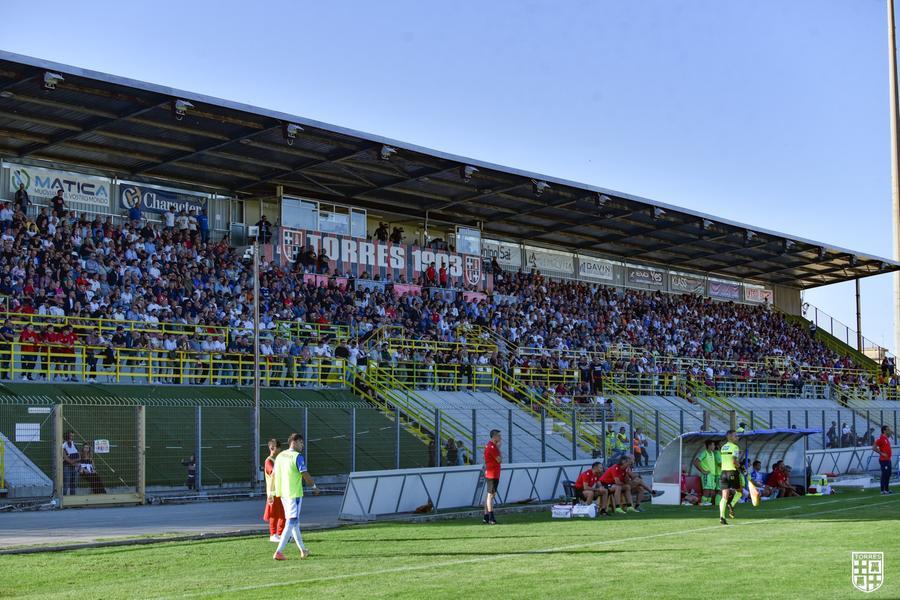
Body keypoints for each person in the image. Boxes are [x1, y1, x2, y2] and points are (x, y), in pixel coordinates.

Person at [272, 433, 319, 561]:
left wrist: (272, 492)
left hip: (283, 494)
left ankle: (303, 549)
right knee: (291, 521)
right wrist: (314, 487)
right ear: (295, 441)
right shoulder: (297, 457)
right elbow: (305, 474)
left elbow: (274, 474)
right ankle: (279, 551)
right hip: (294, 494)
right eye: (301, 443)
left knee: (294, 522)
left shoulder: (280, 456)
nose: (302, 446)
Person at [263, 439, 286, 542]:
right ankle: (273, 535)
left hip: (281, 491)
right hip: (273, 492)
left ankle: (281, 534)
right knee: (274, 515)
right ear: (272, 448)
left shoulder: (278, 460)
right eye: (278, 447)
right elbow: (273, 472)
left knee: (283, 514)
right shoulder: (268, 461)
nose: (280, 450)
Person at [718, 430, 742, 525]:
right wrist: (741, 467)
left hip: (723, 473)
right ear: (730, 437)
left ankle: (722, 516)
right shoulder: (735, 447)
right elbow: (734, 461)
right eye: (735, 436)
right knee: (739, 491)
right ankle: (731, 504)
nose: (737, 437)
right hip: (732, 471)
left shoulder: (723, 447)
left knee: (724, 496)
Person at [483, 429, 502, 525]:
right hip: (492, 474)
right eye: (498, 436)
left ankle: (486, 516)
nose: (500, 437)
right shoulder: (492, 447)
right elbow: (499, 460)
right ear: (494, 436)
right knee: (491, 495)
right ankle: (491, 517)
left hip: (491, 473)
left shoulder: (490, 446)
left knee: (488, 495)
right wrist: (499, 448)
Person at [693, 439, 717, 507]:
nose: (714, 446)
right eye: (713, 445)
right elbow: (696, 462)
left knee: (711, 491)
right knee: (706, 490)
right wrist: (703, 471)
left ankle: (707, 504)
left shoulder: (712, 453)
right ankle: (703, 503)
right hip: (707, 475)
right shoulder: (704, 453)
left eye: (714, 445)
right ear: (709, 446)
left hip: (712, 475)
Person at [873, 425, 893, 495]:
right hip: (883, 460)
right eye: (888, 429)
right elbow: (874, 447)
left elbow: (890, 434)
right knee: (884, 474)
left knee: (888, 474)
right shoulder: (881, 438)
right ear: (884, 431)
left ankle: (887, 489)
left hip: (888, 459)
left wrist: (890, 431)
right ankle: (882, 490)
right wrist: (882, 453)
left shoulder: (886, 438)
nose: (889, 431)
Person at [62, 431, 80, 495]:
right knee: (66, 483)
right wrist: (74, 462)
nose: (72, 438)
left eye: (72, 436)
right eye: (70, 436)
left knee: (74, 483)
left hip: (75, 466)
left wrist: (74, 461)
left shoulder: (74, 445)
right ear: (66, 437)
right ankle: (63, 498)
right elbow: (66, 459)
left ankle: (73, 498)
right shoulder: (63, 446)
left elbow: (79, 456)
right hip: (67, 466)